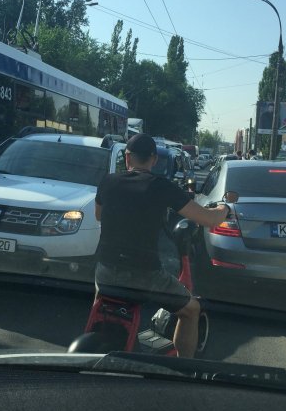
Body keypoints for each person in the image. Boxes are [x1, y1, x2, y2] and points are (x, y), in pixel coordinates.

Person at [94, 134, 235, 358]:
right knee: (191, 310)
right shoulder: (161, 187)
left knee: (101, 295)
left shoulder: (108, 181)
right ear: (154, 159)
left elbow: (99, 215)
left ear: (127, 158)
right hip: (145, 275)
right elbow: (209, 219)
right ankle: (184, 368)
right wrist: (226, 208)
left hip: (106, 272)